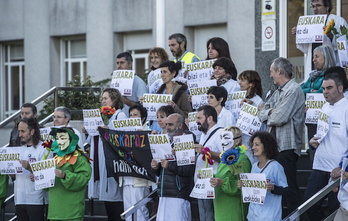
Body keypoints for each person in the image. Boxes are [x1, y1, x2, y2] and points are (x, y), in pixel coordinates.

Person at [258, 57, 305, 215]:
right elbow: (261, 113)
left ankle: (294, 218)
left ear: (279, 71)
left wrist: (268, 112)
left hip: (287, 146)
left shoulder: (293, 89)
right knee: (279, 186)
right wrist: (270, 111)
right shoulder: (276, 91)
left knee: (290, 187)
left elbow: (280, 118)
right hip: (276, 147)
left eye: (271, 72)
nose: (270, 75)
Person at [303, 71, 348, 221]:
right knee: (308, 205)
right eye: (323, 88)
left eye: (329, 88)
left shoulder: (346, 108)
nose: (325, 92)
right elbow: (322, 135)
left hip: (338, 170)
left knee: (335, 209)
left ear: (340, 88)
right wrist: (313, 142)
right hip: (320, 165)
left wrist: (342, 166)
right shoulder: (324, 107)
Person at [86, 88, 127, 221]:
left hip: (112, 161)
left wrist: (109, 131)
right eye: (102, 98)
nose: (102, 101)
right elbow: (91, 140)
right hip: (100, 159)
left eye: (105, 98)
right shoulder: (100, 116)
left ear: (114, 100)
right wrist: (87, 131)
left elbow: (124, 139)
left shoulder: (120, 115)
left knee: (115, 199)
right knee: (107, 200)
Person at [150, 113, 195, 221]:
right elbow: (162, 170)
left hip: (178, 194)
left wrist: (169, 165)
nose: (167, 127)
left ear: (180, 125)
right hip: (164, 193)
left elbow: (189, 170)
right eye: (166, 124)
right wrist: (156, 167)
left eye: (170, 124)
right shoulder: (167, 142)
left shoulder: (187, 141)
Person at [292, 0, 348, 77]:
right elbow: (306, 49)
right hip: (313, 69)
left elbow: (344, 47)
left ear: (327, 7)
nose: (315, 9)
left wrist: (332, 37)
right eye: (313, 6)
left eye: (318, 5)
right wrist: (299, 35)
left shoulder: (339, 21)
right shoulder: (310, 23)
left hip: (332, 67)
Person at [242, 131, 289, 221]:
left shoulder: (276, 166)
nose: (253, 148)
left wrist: (273, 188)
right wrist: (244, 185)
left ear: (266, 146)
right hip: (253, 215)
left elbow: (286, 190)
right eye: (253, 145)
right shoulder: (254, 166)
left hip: (269, 216)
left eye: (257, 145)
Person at [301, 45, 336, 165]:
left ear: (326, 58)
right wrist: (311, 91)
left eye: (317, 57)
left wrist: (315, 91)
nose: (313, 60)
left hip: (325, 118)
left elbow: (324, 92)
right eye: (313, 56)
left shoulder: (332, 75)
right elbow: (301, 89)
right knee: (313, 150)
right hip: (312, 118)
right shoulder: (313, 75)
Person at [47, 127, 92, 221]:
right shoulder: (55, 159)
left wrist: (65, 175)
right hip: (54, 212)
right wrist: (39, 178)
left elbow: (84, 178)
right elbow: (47, 185)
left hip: (72, 212)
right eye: (58, 138)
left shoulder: (79, 158)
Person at [209, 126, 251, 221]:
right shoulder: (224, 158)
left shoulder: (241, 159)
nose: (223, 141)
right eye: (221, 138)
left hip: (233, 208)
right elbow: (221, 177)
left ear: (237, 141)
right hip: (221, 208)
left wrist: (222, 183)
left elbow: (244, 186)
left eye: (227, 137)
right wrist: (208, 177)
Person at [14, 118, 49, 221]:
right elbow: (14, 176)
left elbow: (47, 175)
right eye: (19, 131)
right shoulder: (18, 150)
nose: (20, 134)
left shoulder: (44, 149)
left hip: (36, 200)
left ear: (32, 131)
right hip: (19, 199)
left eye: (23, 131)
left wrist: (30, 167)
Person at [193, 105, 224, 221]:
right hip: (201, 184)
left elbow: (225, 158)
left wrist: (207, 152)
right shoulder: (203, 135)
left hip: (212, 183)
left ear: (209, 119)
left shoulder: (220, 133)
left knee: (210, 216)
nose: (197, 121)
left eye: (199, 118)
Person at [238, 70, 264, 164]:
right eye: (239, 80)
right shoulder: (239, 98)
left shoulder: (257, 101)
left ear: (251, 84)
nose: (240, 83)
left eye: (243, 80)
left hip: (250, 141)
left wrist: (251, 106)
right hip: (240, 140)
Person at [116, 52, 147, 117]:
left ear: (130, 64)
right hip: (117, 121)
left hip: (131, 121)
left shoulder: (139, 82)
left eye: (122, 63)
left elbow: (143, 107)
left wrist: (125, 101)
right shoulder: (115, 81)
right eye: (117, 63)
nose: (119, 66)